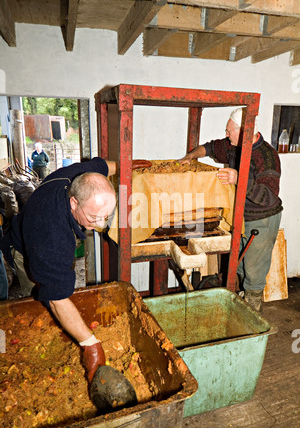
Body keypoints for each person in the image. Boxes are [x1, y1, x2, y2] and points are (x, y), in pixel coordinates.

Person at [0, 157, 150, 383]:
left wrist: (125, 165)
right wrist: (91, 344)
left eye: (105, 217)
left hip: (45, 232)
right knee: (44, 297)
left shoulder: (80, 177)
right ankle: (49, 346)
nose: (100, 224)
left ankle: (67, 328)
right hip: (24, 249)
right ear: (73, 203)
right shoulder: (51, 235)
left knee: (58, 287)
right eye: (93, 217)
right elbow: (57, 298)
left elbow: (101, 166)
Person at [180, 107, 283, 312]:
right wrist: (190, 156)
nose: (226, 135)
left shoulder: (267, 156)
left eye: (230, 131)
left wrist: (239, 179)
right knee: (242, 265)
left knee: (254, 271)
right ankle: (242, 305)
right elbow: (209, 147)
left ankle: (253, 315)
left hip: (263, 217)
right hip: (242, 216)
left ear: (245, 132)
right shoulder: (232, 145)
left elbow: (268, 196)